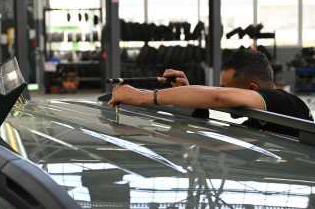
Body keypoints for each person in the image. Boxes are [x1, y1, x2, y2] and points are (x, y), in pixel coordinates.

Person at [108, 49, 314, 137]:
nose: (223, 90)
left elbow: (218, 97)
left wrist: (143, 96)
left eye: (228, 87)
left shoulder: (287, 103)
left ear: (252, 89)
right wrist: (187, 96)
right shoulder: (254, 123)